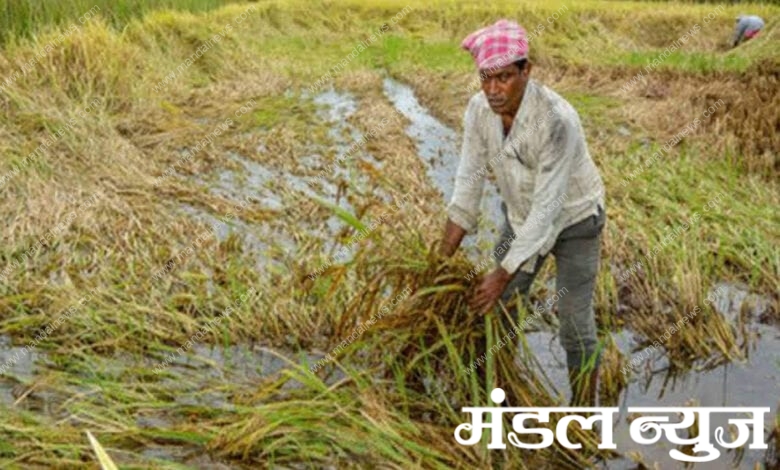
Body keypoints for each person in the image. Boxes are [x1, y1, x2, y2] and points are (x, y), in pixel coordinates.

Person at [438, 19, 606, 406]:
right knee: (499, 312)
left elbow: (547, 212)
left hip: (576, 221)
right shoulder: (479, 111)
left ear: (526, 71)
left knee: (575, 327)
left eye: (504, 78)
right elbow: (467, 186)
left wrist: (500, 273)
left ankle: (584, 414)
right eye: (486, 78)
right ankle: (501, 396)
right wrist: (438, 259)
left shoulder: (557, 121)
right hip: (520, 217)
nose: (494, 90)